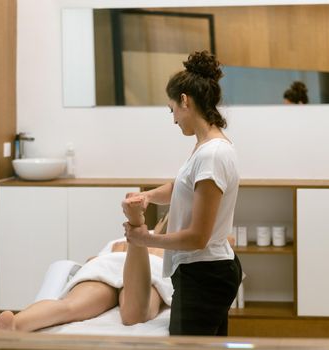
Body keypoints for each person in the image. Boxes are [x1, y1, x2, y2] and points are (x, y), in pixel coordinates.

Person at [123, 50, 243, 336]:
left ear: (185, 101)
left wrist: (145, 238)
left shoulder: (211, 154)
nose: (174, 118)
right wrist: (149, 196)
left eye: (172, 109)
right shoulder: (208, 148)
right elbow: (183, 187)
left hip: (205, 273)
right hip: (205, 270)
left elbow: (197, 237)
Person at [0, 211, 172, 332]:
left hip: (115, 266)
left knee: (69, 306)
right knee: (134, 314)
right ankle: (13, 325)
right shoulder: (173, 248)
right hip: (144, 270)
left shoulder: (119, 242)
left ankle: (15, 324)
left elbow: (90, 261)